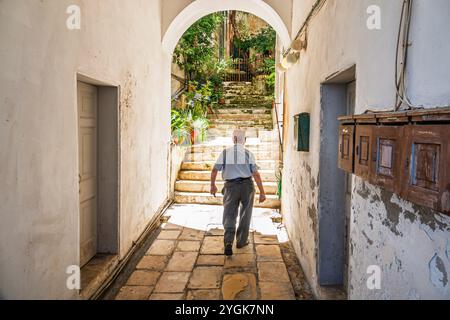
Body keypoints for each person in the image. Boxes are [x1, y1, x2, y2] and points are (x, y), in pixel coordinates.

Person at [210, 129, 266, 256]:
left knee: (229, 213)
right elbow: (255, 174)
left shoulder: (225, 153)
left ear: (233, 139)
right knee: (245, 214)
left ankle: (228, 241)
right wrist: (262, 192)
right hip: (247, 186)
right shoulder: (248, 153)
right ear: (244, 140)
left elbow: (214, 170)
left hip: (230, 187)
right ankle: (241, 241)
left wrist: (212, 186)